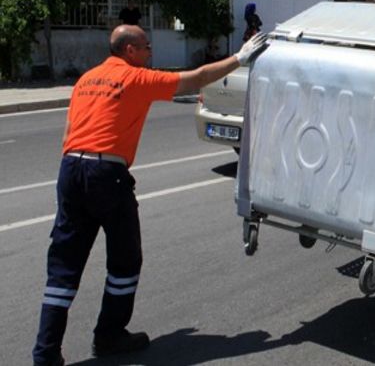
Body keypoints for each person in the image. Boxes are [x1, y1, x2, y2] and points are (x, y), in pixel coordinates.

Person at [32, 25, 267, 366]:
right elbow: (196, 77)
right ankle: (109, 335)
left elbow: (69, 131)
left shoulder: (86, 80)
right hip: (106, 174)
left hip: (71, 169)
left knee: (64, 267)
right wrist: (240, 57)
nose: (150, 51)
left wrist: (78, 177)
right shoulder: (135, 79)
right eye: (146, 46)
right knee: (125, 260)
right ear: (129, 50)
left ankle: (45, 354)